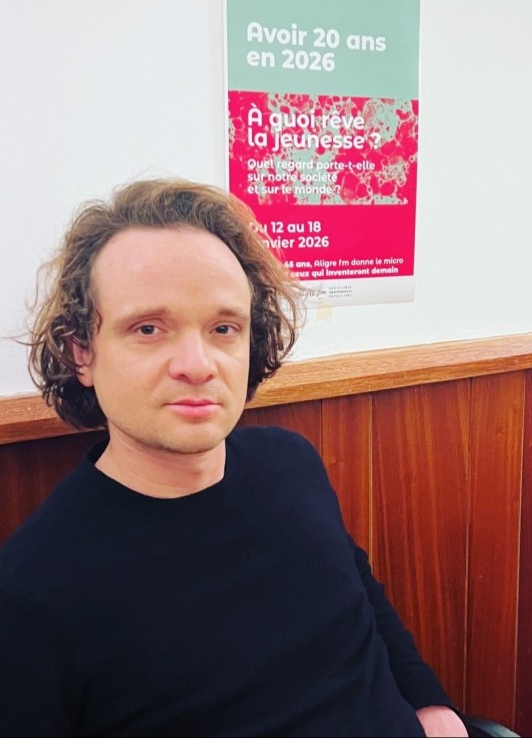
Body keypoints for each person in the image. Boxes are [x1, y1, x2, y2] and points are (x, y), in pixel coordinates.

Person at [0, 179, 468, 737]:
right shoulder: (32, 592)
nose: (197, 365)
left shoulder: (291, 463)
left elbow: (356, 590)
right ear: (83, 352)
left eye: (223, 328)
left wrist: (430, 703)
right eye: (149, 329)